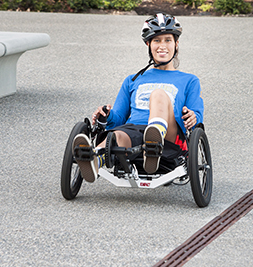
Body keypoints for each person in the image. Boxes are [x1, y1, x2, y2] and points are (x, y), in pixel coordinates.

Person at [72, 13, 204, 183]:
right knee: (117, 136)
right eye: (156, 40)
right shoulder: (133, 80)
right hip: (134, 130)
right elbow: (118, 118)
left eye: (167, 40)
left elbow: (197, 115)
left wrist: (193, 116)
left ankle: (154, 141)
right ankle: (94, 159)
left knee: (158, 94)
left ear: (176, 44)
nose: (162, 45)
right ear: (149, 44)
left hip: (169, 137)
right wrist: (106, 116)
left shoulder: (189, 80)